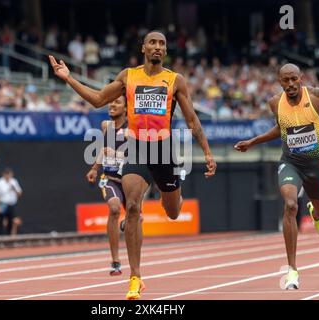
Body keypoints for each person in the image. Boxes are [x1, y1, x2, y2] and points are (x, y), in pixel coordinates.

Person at [49, 30, 217, 300]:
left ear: (165, 50)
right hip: (137, 147)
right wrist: (68, 77)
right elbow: (97, 99)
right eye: (153, 43)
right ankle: (135, 277)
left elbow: (192, 120)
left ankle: (173, 194)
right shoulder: (129, 76)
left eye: (162, 43)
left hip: (163, 149)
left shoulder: (175, 80)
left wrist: (208, 153)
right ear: (144, 48)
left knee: (172, 212)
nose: (158, 47)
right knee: (133, 206)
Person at [234, 64, 319, 290]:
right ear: (280, 82)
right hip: (290, 163)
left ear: (300, 78)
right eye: (286, 80)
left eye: (294, 79)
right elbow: (280, 129)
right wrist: (253, 142)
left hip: (315, 166)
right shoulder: (275, 102)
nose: (291, 84)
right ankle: (292, 270)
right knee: (290, 205)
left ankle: (315, 211)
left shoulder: (318, 96)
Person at [86, 94, 128, 276]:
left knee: (136, 219)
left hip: (132, 180)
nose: (112, 104)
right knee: (114, 208)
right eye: (111, 102)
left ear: (126, 108)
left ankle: (130, 222)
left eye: (117, 102)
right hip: (111, 178)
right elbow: (103, 149)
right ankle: (116, 260)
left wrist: (117, 154)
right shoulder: (106, 126)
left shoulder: (133, 129)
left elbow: (142, 157)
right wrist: (95, 168)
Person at [0, 167, 23, 235]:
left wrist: (14, 189)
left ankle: (9, 239)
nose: (8, 175)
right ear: (3, 174)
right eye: (6, 174)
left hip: (11, 205)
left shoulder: (14, 182)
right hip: (2, 204)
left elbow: (20, 194)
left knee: (11, 222)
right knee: (0, 222)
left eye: (9, 174)